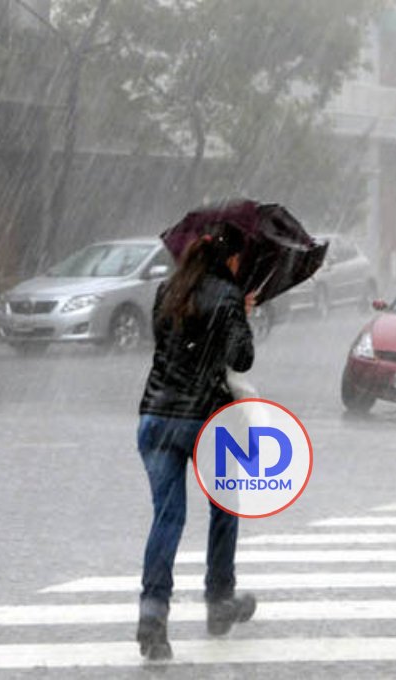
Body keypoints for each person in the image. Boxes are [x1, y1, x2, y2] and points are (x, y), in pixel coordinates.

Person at [135, 221, 258, 661]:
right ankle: (219, 601)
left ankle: (152, 617)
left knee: (167, 519)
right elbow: (241, 357)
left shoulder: (167, 290)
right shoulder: (227, 296)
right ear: (230, 258)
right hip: (207, 420)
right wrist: (241, 312)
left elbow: (169, 347)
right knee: (225, 506)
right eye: (240, 259)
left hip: (154, 417)